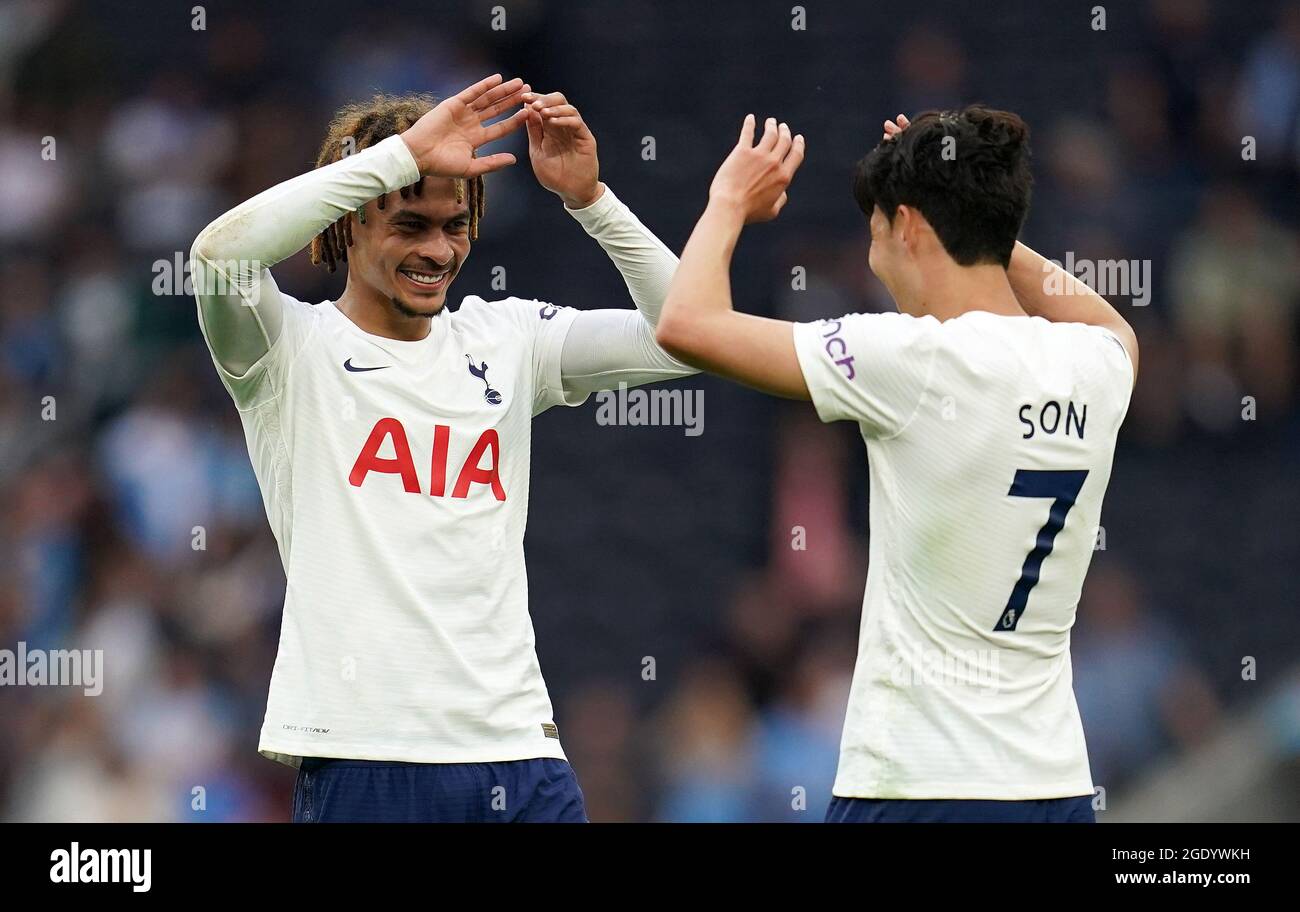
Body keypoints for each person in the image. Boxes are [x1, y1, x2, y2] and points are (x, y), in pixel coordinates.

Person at [190, 74, 694, 822]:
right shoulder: (287, 349)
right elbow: (216, 257)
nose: (437, 249)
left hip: (519, 749)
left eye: (453, 225)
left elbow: (684, 336)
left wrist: (592, 201)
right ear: (348, 223)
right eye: (409, 224)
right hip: (368, 754)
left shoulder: (509, 338)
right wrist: (393, 158)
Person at [656, 108, 1138, 822]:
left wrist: (727, 200)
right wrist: (979, 214)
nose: (875, 263)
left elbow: (685, 326)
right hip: (1052, 787)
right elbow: (1110, 321)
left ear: (907, 227)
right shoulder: (1096, 363)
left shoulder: (909, 361)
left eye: (877, 234)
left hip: (917, 786)